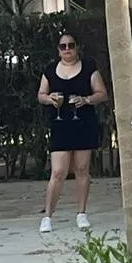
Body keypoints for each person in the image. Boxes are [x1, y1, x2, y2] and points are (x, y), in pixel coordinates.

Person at [37, 33, 107, 233]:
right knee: (58, 172)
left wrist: (86, 100)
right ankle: (47, 217)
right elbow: (41, 94)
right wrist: (50, 99)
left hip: (83, 123)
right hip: (60, 124)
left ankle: (82, 213)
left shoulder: (88, 68)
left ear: (77, 47)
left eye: (71, 45)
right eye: (63, 46)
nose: (67, 49)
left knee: (82, 169)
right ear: (58, 50)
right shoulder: (50, 70)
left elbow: (102, 93)